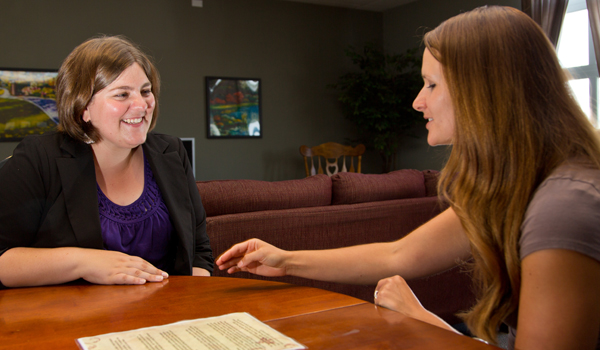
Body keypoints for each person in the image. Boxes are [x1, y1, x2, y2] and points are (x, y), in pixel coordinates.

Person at [216, 6, 600, 349]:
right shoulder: (514, 183)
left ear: (482, 92)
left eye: (431, 84)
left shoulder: (562, 208)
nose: (418, 100)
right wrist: (285, 261)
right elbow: (401, 253)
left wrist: (425, 324)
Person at [0, 35, 213, 288]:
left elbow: (199, 251)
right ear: (83, 107)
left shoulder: (172, 152)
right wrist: (84, 262)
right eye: (122, 94)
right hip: (73, 321)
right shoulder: (39, 158)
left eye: (146, 91)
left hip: (166, 317)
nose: (142, 104)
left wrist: (196, 303)